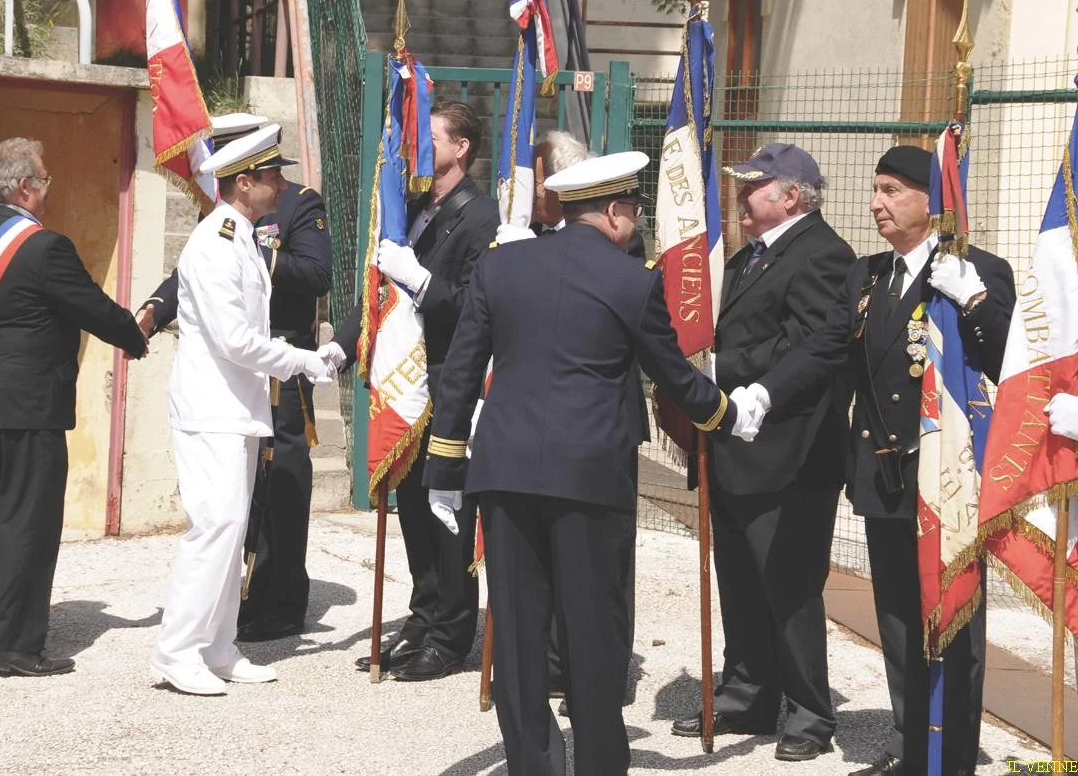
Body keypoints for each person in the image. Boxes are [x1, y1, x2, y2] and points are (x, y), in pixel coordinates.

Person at [422, 150, 761, 776]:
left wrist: (443, 468)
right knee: (590, 627)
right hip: (590, 477)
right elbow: (674, 378)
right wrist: (728, 415)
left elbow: (462, 374)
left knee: (519, 632)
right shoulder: (632, 281)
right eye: (631, 210)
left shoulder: (501, 267)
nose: (633, 223)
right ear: (611, 212)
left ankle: (534, 763)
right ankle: (600, 761)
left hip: (505, 472)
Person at [739, 145, 1015, 776]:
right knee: (895, 617)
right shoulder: (866, 275)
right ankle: (912, 743)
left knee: (953, 617)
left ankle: (951, 757)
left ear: (930, 200)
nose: (875, 204)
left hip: (945, 480)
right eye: (874, 190)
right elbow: (825, 347)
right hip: (885, 474)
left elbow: (1007, 363)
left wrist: (975, 305)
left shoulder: (976, 271)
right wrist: (767, 391)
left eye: (891, 190)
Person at [670, 143, 855, 761]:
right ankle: (749, 689)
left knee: (790, 583)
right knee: (742, 580)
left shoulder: (823, 255)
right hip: (737, 446)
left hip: (790, 453)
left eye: (753, 188)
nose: (741, 199)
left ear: (790, 197)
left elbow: (810, 351)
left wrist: (725, 365)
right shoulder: (754, 256)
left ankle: (808, 711)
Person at [0, 137, 148, 676]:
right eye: (46, 179)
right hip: (31, 405)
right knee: (29, 523)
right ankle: (14, 646)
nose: (48, 189)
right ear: (24, 187)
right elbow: (92, 307)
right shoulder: (43, 247)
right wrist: (137, 332)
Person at [149, 125, 335, 696]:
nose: (281, 187)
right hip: (212, 409)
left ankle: (220, 646)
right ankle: (176, 651)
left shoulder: (241, 238)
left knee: (231, 534)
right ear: (243, 183)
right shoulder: (214, 243)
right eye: (271, 178)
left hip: (236, 408)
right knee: (216, 529)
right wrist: (302, 360)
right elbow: (234, 339)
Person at [321, 100, 500, 681]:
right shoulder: (419, 209)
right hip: (410, 385)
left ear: (461, 148)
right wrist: (343, 345)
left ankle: (452, 636)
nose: (419, 146)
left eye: (432, 137)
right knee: (418, 514)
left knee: (449, 512)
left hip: (450, 383)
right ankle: (423, 615)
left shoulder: (480, 217)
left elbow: (476, 309)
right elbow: (382, 292)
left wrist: (421, 278)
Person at [496, 130, 647, 718]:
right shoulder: (515, 251)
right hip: (534, 436)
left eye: (535, 181)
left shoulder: (622, 254)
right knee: (535, 586)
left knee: (598, 580)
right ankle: (566, 678)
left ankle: (599, 676)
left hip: (596, 433)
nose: (528, 194)